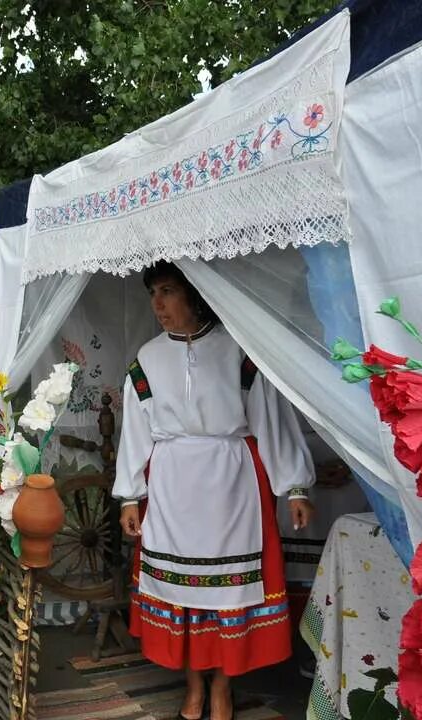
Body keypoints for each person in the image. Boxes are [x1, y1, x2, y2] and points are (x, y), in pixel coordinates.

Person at [113, 262, 315, 720]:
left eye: (168, 291)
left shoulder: (239, 351)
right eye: (153, 294)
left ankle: (223, 686)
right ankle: (193, 687)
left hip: (230, 483)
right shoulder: (145, 359)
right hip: (171, 485)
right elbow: (135, 433)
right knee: (179, 589)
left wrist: (295, 486)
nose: (158, 304)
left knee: (228, 591)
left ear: (195, 295)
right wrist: (129, 495)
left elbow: (271, 420)